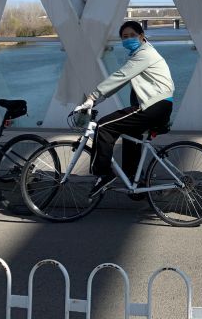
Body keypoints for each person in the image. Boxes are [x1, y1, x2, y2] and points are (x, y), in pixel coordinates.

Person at [74, 20, 175, 198]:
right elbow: (120, 83)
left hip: (154, 105)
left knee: (104, 126)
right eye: (124, 37)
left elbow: (120, 76)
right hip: (159, 106)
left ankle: (103, 174)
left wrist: (92, 97)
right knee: (131, 138)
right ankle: (136, 182)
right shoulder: (141, 54)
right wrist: (96, 101)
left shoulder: (145, 54)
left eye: (132, 36)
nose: (128, 39)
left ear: (142, 36)